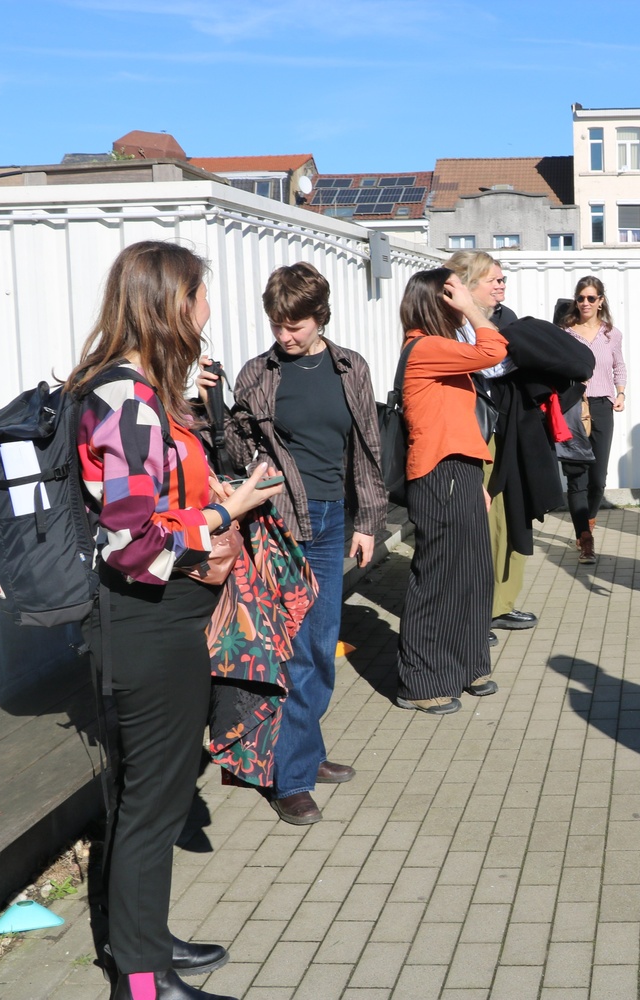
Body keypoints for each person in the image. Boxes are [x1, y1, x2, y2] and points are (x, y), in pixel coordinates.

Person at [69, 241, 283, 1000]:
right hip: (146, 629)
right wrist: (226, 511)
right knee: (152, 807)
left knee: (147, 802)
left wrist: (209, 501)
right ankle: (141, 981)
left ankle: (146, 944)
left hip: (155, 627)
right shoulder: (127, 399)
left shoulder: (138, 393)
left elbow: (148, 510)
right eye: (201, 294)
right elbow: (132, 542)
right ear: (170, 303)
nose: (209, 310)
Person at [197, 262, 387, 826]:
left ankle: (305, 747)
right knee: (293, 649)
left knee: (321, 643)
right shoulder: (258, 374)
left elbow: (367, 450)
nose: (285, 335)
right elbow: (233, 454)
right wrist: (211, 407)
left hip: (333, 521)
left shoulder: (350, 367)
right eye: (278, 324)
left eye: (296, 325)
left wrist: (369, 520)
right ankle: (292, 777)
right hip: (276, 524)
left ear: (320, 316)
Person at [395, 268, 508, 714]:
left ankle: (467, 664)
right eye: (454, 290)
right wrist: (471, 307)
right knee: (438, 578)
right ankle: (421, 682)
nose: (461, 297)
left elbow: (456, 421)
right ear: (440, 299)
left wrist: (477, 481)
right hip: (438, 474)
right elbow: (494, 349)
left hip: (459, 471)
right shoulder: (424, 347)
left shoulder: (440, 348)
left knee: (474, 572)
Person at [444, 251, 536, 639]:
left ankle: (500, 605)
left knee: (507, 520)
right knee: (475, 526)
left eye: (502, 279)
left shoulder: (505, 319)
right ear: (466, 284)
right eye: (493, 279)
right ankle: (472, 612)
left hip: (500, 431)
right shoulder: (448, 327)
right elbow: (492, 363)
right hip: (466, 436)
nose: (501, 285)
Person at [561, 276, 627, 563]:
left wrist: (621, 393)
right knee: (577, 477)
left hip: (602, 406)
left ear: (601, 300)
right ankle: (584, 540)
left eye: (591, 298)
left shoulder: (611, 333)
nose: (585, 303)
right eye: (581, 298)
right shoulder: (565, 332)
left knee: (598, 479)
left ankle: (588, 522)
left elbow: (619, 366)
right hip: (573, 407)